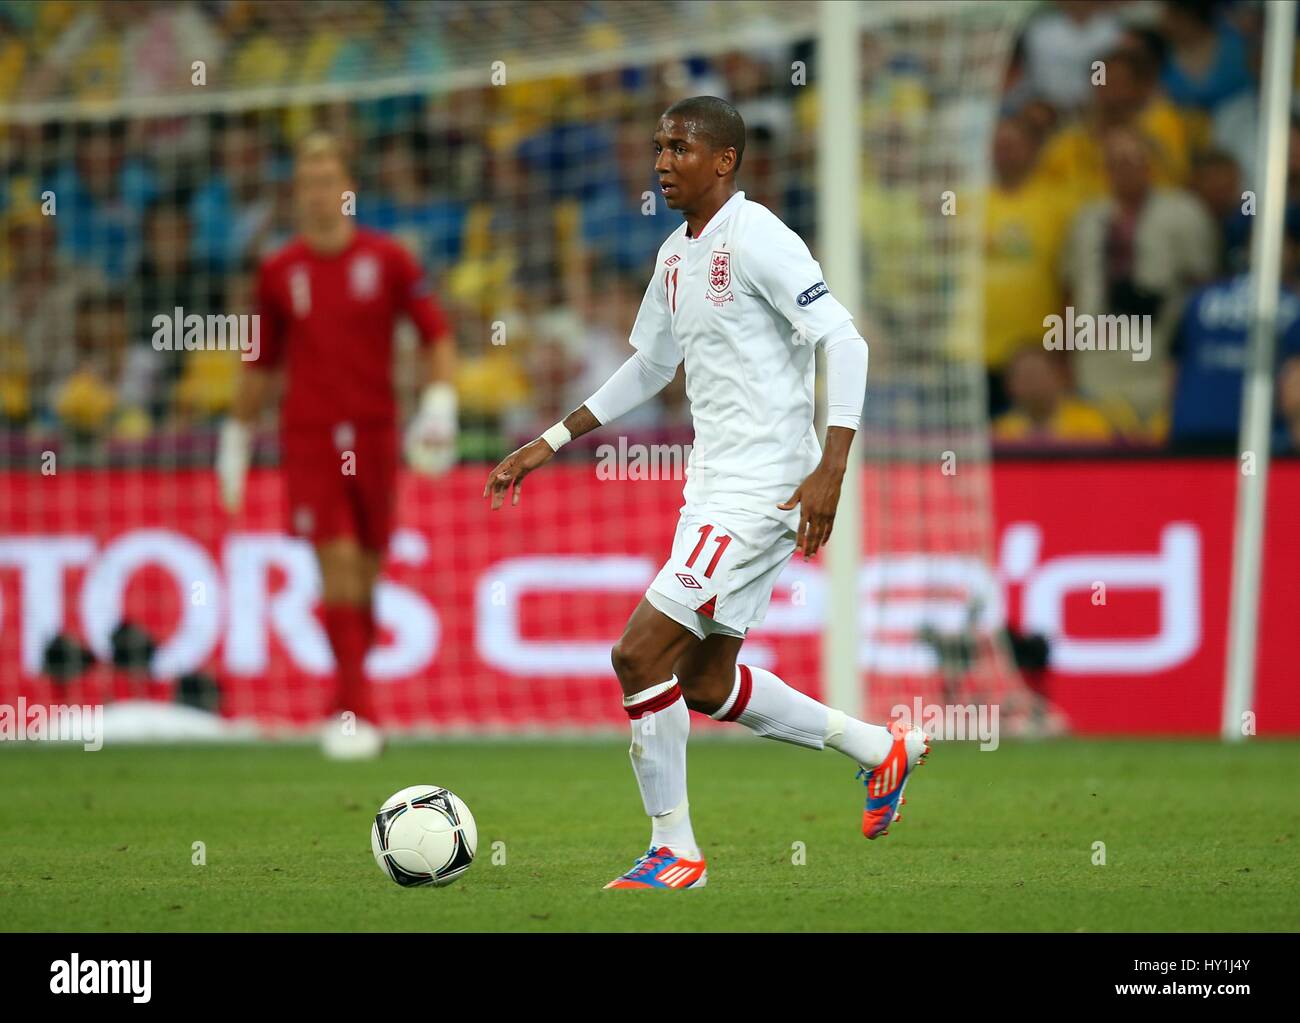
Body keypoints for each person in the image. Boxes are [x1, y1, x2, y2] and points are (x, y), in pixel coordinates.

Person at [483, 97, 928, 890]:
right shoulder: (674, 256)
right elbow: (650, 369)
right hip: (713, 484)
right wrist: (550, 440)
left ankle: (675, 849)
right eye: (657, 146)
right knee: (705, 681)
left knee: (638, 653)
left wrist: (832, 465)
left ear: (724, 160)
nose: (661, 161)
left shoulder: (759, 237)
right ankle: (877, 748)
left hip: (763, 489)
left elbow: (844, 339)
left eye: (679, 147)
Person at [217, 131, 457, 758]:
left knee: (368, 573)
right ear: (295, 195)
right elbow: (260, 363)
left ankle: (347, 700)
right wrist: (236, 436)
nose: (318, 194)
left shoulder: (390, 259)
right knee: (339, 564)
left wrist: (439, 402)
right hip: (310, 437)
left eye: (329, 181)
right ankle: (357, 712)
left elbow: (436, 335)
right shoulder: (278, 271)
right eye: (307, 183)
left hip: (377, 434)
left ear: (349, 191)